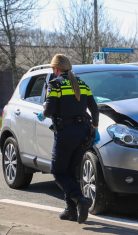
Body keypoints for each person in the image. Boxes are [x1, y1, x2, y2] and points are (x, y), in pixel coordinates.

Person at [37, 54, 100, 223]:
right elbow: (94, 109)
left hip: (66, 133)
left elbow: (49, 110)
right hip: (84, 133)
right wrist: (94, 127)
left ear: (56, 69)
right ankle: (70, 211)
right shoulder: (82, 84)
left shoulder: (55, 84)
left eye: (53, 69)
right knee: (70, 172)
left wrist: (42, 113)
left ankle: (81, 200)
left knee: (58, 172)